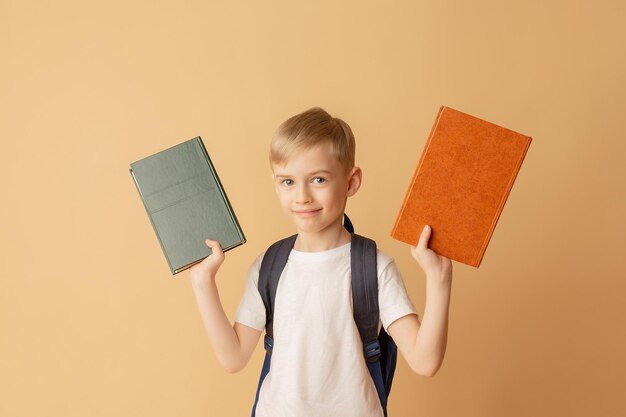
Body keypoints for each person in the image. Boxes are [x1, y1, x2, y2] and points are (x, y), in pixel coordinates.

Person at [189, 107, 453, 417]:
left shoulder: (375, 267)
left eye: (318, 179)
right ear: (274, 181)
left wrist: (439, 280)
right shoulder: (269, 267)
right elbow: (233, 358)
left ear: (351, 182)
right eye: (288, 182)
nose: (302, 197)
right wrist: (202, 283)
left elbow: (425, 361)